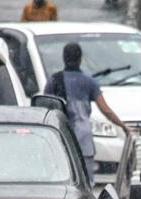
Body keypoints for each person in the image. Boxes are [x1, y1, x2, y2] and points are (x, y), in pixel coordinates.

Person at [44, 43, 131, 181]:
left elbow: (45, 107)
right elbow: (106, 110)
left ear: (64, 58)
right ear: (80, 59)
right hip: (83, 138)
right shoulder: (89, 82)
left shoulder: (54, 81)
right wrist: (123, 126)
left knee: (64, 177)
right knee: (86, 180)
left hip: (61, 136)